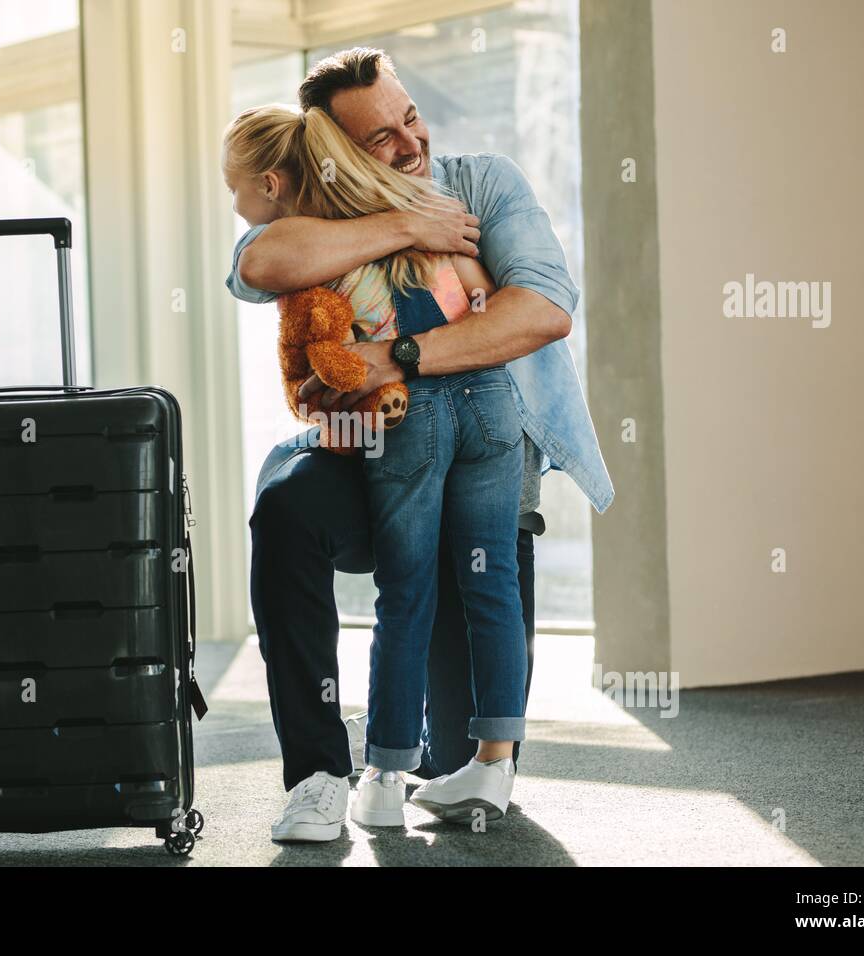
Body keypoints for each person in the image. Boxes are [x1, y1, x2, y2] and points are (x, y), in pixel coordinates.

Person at [227, 48, 614, 843]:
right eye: (380, 141)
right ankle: (319, 776)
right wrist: (407, 221)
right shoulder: (330, 207)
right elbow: (258, 263)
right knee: (285, 507)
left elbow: (541, 309)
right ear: (334, 153)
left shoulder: (484, 184)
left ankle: (430, 764)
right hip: (367, 450)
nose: (410, 145)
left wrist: (393, 357)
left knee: (452, 763)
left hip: (471, 446)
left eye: (409, 118)